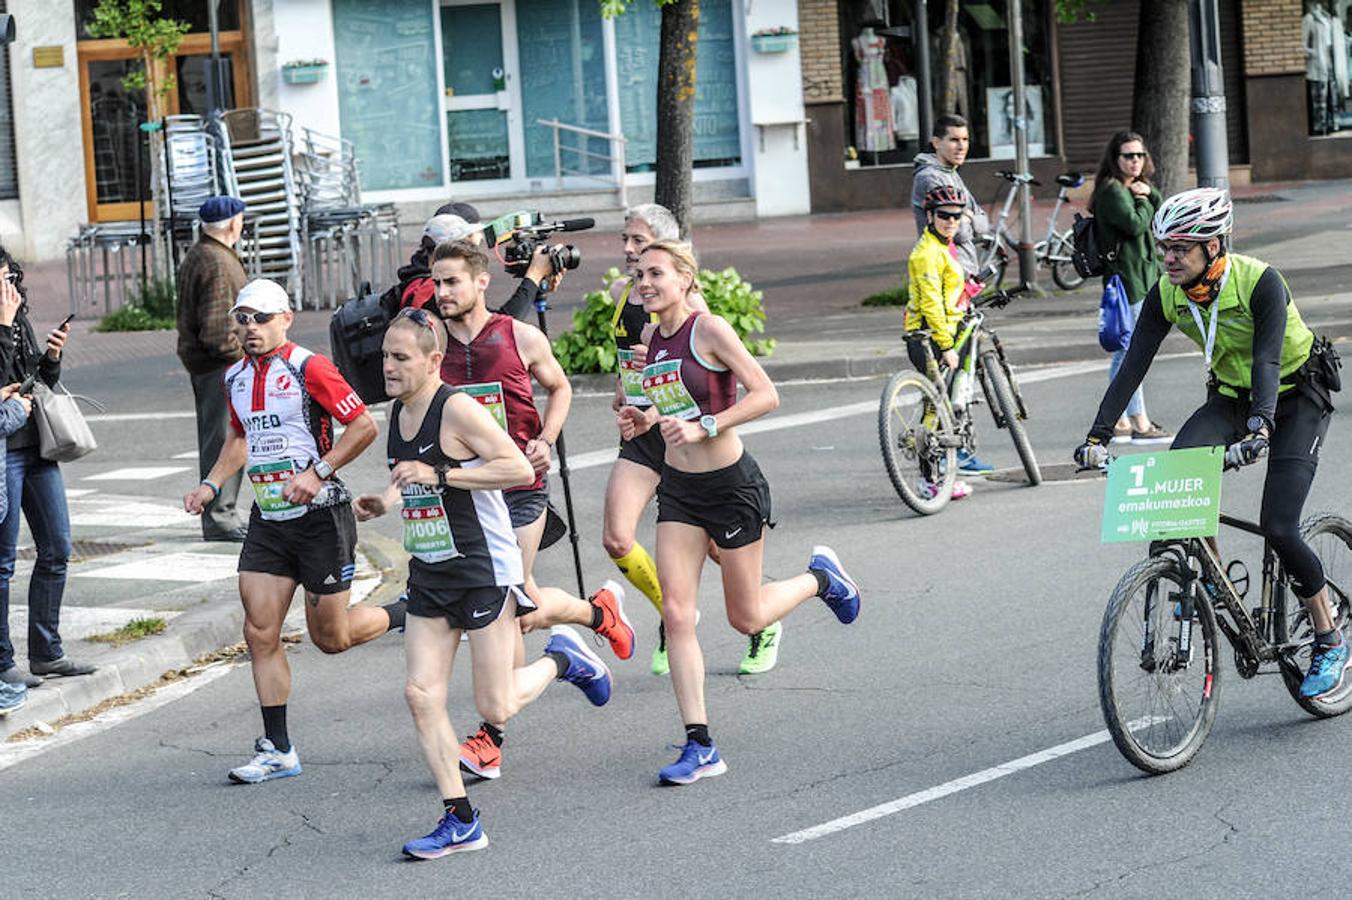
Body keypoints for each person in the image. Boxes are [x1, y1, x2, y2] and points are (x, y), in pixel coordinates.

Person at [354, 309, 612, 858]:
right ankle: (461, 819)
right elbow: (413, 477)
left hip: (481, 567)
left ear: (432, 360)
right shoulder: (399, 413)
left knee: (496, 704)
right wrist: (387, 499)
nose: (389, 368)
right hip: (430, 567)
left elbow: (518, 469)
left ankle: (564, 659)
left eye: (400, 358)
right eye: (384, 357)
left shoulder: (458, 409)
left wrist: (443, 475)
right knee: (421, 695)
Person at [1074, 188, 1344, 698]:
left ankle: (1328, 635)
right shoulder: (1168, 293)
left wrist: (1262, 427)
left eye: (1182, 248)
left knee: (1280, 526)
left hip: (1294, 394)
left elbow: (1266, 360)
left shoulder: (1259, 282)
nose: (1169, 259)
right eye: (1164, 248)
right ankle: (1214, 584)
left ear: (1214, 247)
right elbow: (1134, 363)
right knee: (1178, 486)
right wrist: (1097, 433)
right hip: (1230, 398)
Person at [618, 240, 861, 785]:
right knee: (678, 614)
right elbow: (673, 403)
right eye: (640, 275)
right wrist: (645, 419)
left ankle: (820, 580)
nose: (646, 283)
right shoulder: (651, 337)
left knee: (746, 617)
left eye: (656, 273)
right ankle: (699, 743)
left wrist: (706, 425)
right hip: (679, 488)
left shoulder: (710, 330)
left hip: (731, 486)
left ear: (685, 279)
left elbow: (765, 394)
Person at [183, 278, 407, 784]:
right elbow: (240, 438)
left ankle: (406, 611)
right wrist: (211, 486)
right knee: (259, 631)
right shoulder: (236, 376)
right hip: (269, 521)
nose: (251, 328)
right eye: (243, 318)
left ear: (286, 318)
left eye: (261, 318)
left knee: (331, 637)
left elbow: (364, 427)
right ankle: (278, 748)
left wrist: (317, 473)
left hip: (321, 518)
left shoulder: (309, 368)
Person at [429, 240, 631, 781]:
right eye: (436, 283)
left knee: (509, 603)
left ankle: (491, 738)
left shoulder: (517, 334)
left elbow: (559, 387)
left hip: (521, 487)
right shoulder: (430, 344)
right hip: (466, 494)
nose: (442, 292)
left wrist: (545, 436)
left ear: (479, 283)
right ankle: (595, 616)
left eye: (452, 282)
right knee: (523, 603)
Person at [603, 204, 781, 677]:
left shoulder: (695, 318)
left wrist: (703, 423)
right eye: (628, 246)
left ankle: (760, 615)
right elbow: (644, 373)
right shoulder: (630, 297)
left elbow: (712, 383)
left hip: (697, 443)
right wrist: (632, 403)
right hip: (653, 430)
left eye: (640, 246)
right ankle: (675, 618)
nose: (629, 254)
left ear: (680, 271)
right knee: (617, 537)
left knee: (724, 556)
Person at [0, 249, 96, 688]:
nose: (8, 288)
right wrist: (2, 326)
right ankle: (3, 663)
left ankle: (47, 652)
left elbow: (34, 384)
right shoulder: (6, 322)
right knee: (2, 563)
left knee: (57, 547)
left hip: (36, 446)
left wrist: (51, 358)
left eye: (10, 278)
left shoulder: (16, 321)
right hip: (4, 453)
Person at [176, 195, 249, 541]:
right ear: (234, 224)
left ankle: (224, 513)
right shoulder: (218, 261)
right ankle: (220, 516)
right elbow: (218, 329)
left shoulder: (202, 253)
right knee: (223, 440)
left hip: (209, 364)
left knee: (222, 437)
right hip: (221, 365)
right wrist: (243, 358)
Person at [1089, 132, 1170, 443]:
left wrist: (1148, 193)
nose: (1135, 161)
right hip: (1127, 283)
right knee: (1130, 352)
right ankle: (1138, 422)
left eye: (1139, 155)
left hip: (1141, 279)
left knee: (1126, 352)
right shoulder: (1112, 192)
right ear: (1115, 159)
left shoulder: (1130, 189)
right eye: (1128, 156)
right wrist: (1143, 199)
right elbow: (1136, 225)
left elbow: (1160, 211)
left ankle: (1121, 419)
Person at [905, 183, 986, 492]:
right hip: (929, 338)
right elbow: (930, 304)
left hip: (946, 331)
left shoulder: (943, 246)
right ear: (930, 215)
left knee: (943, 408)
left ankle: (943, 475)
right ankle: (930, 483)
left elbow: (948, 292)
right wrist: (947, 346)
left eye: (957, 216)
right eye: (944, 216)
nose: (951, 221)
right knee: (934, 411)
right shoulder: (926, 254)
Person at [399, 211, 559, 322]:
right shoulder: (430, 292)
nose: (472, 252)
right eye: (466, 244)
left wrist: (536, 284)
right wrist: (534, 275)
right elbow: (502, 327)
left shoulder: (418, 281)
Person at [910, 113, 989, 281]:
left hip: (961, 274)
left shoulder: (950, 172)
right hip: (945, 275)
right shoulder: (931, 178)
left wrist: (969, 218)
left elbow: (984, 222)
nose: (962, 147)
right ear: (937, 143)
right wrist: (968, 217)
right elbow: (958, 232)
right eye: (954, 140)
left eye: (965, 140)